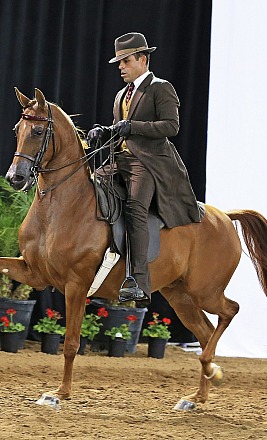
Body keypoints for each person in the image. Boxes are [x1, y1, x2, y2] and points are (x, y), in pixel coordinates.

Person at [87, 32, 201, 306]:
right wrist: (103, 132)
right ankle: (100, 272)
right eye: (119, 62)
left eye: (125, 61)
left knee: (135, 209)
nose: (121, 67)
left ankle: (137, 281)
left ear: (143, 59)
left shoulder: (160, 88)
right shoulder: (120, 95)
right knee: (90, 193)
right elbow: (121, 130)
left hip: (149, 162)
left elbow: (171, 127)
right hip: (121, 161)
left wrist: (133, 127)